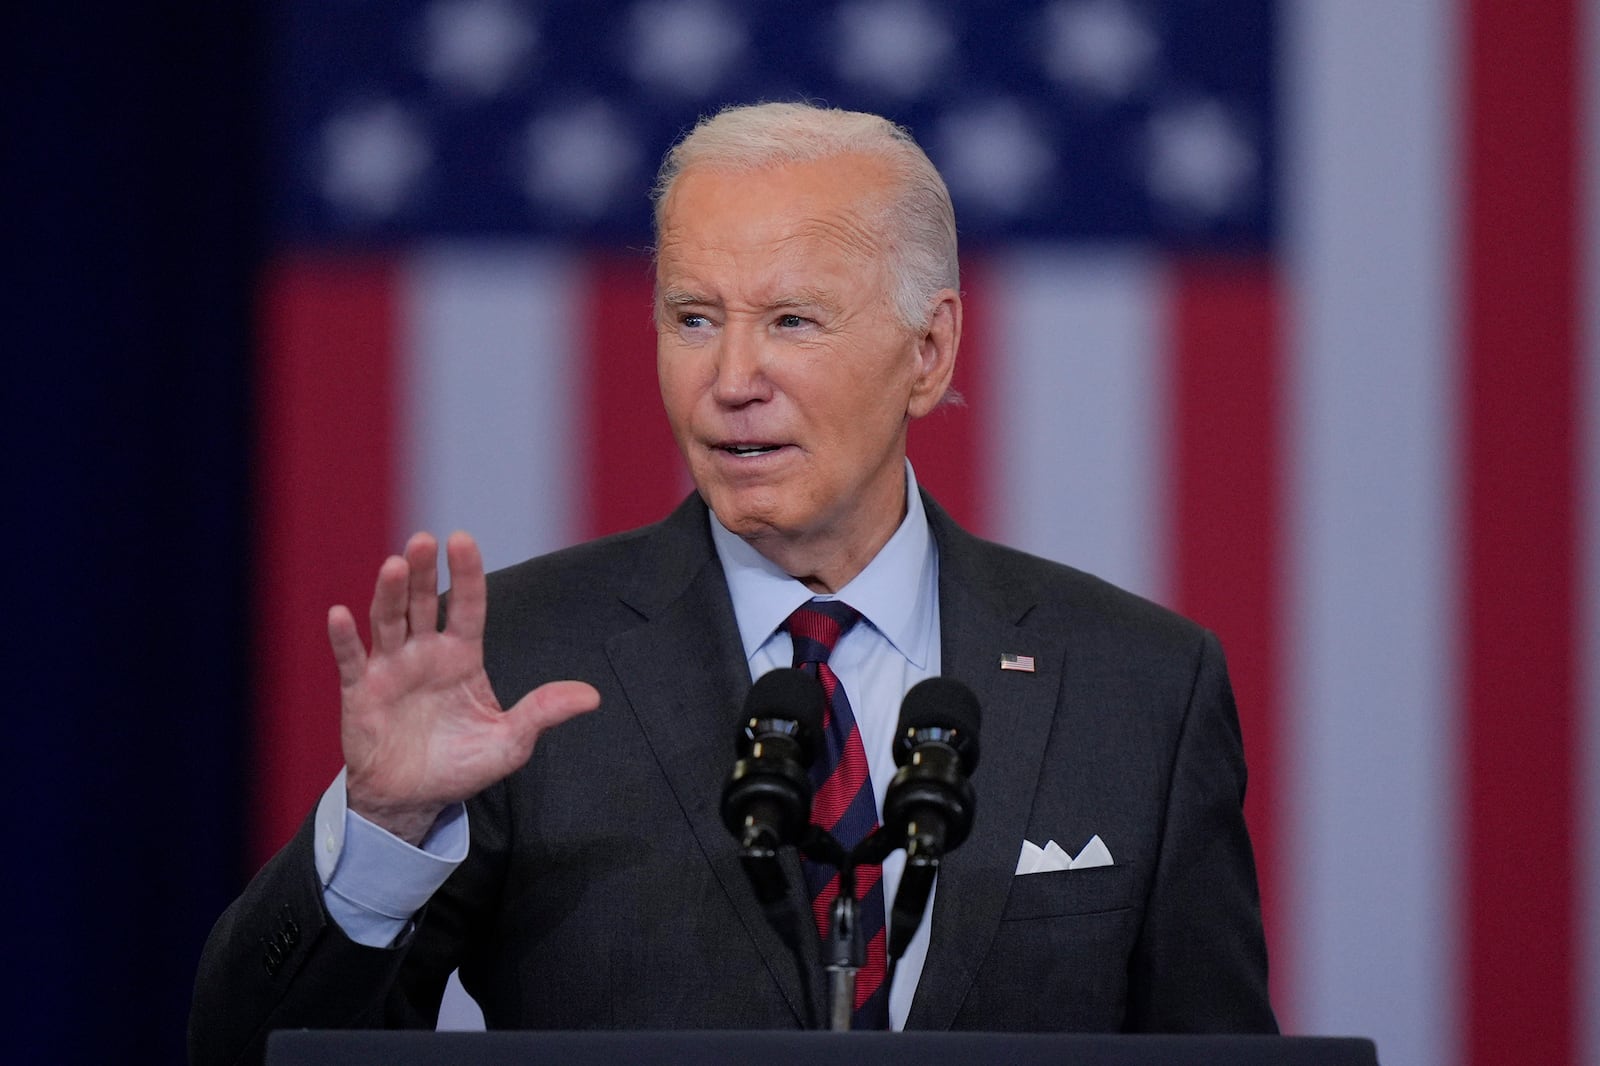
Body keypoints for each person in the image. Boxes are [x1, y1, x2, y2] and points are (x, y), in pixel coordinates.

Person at [190, 102, 1275, 1064]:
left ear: (929, 350)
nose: (730, 380)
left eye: (792, 320)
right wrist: (383, 824)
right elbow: (256, 1051)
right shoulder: (518, 663)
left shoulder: (1136, 684)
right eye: (692, 318)